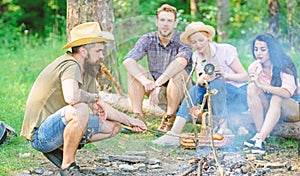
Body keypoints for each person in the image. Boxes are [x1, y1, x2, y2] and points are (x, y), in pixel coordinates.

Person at [20, 22, 146, 176]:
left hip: (58, 126)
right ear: (84, 50)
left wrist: (130, 121)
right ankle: (67, 166)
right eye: (98, 51)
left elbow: (99, 106)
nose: (102, 55)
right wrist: (93, 98)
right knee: (79, 109)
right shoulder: (70, 65)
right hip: (40, 135)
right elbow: (72, 97)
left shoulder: (89, 70)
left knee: (113, 126)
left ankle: (62, 149)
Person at [152, 21, 248, 146]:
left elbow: (244, 77)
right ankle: (174, 133)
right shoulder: (196, 56)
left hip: (237, 95)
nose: (198, 45)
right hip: (213, 95)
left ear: (208, 37)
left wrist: (224, 75)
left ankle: (222, 127)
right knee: (194, 90)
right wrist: (204, 78)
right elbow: (199, 81)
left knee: (217, 83)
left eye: (201, 40)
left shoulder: (225, 50)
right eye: (194, 42)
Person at [122, 4, 193, 133]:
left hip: (181, 91)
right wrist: (146, 82)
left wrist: (158, 83)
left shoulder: (183, 39)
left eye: (169, 21)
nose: (165, 24)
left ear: (175, 23)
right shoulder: (148, 38)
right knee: (134, 71)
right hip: (156, 90)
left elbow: (181, 62)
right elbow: (128, 61)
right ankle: (138, 118)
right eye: (162, 20)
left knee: (178, 73)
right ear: (157, 22)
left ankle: (169, 118)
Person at [244, 33, 299, 154]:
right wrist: (258, 85)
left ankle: (260, 138)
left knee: (276, 97)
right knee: (252, 88)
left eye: (263, 49)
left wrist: (263, 86)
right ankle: (260, 133)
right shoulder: (254, 67)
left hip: (293, 107)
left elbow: (286, 93)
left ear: (272, 50)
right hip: (271, 109)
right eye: (256, 49)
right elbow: (256, 91)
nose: (258, 53)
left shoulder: (284, 65)